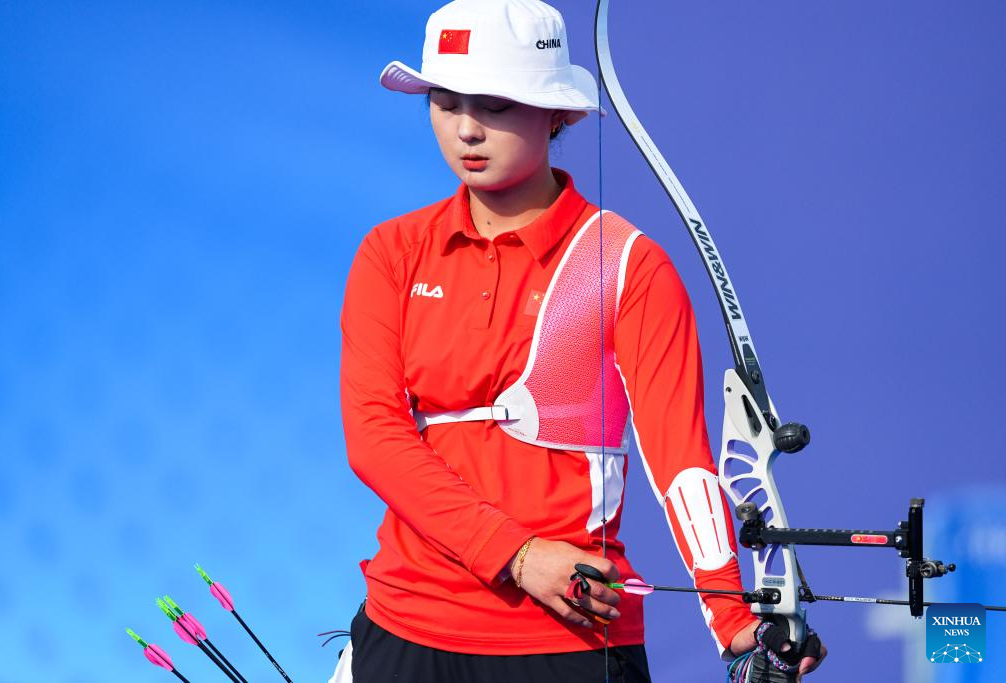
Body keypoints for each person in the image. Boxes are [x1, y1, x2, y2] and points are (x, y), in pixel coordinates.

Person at [335, 1, 825, 681]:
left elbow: (680, 463)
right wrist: (518, 555)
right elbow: (374, 438)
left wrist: (734, 617)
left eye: (495, 104)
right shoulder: (392, 252)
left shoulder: (626, 264)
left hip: (572, 636)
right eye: (445, 103)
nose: (466, 128)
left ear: (557, 113)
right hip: (406, 626)